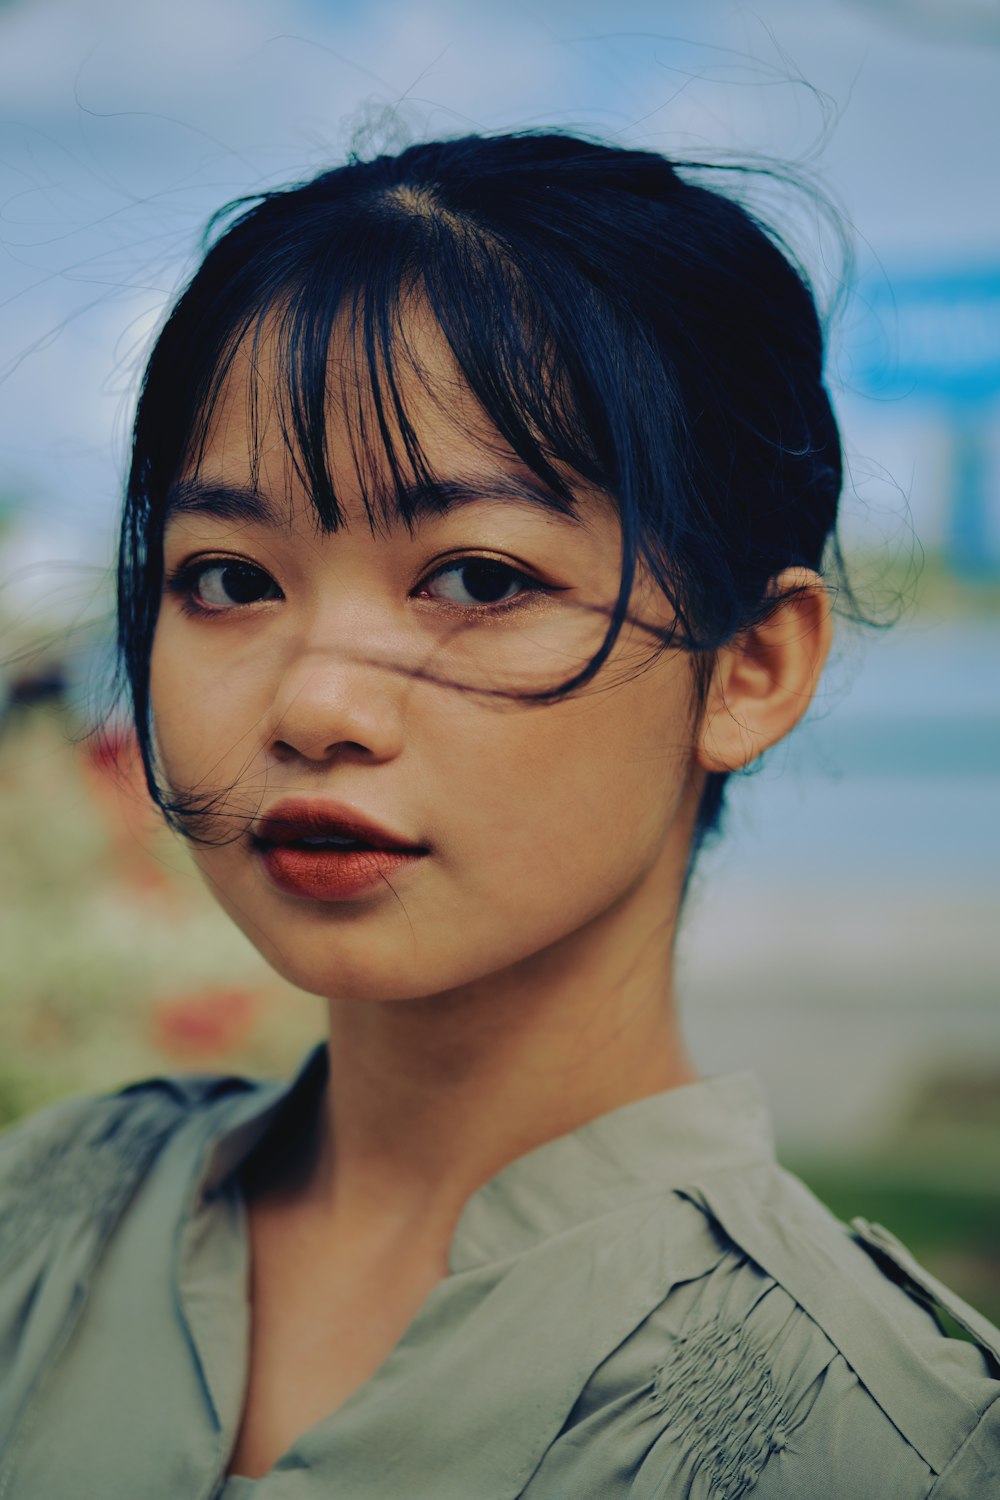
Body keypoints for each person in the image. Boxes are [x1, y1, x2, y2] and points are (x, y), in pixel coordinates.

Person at [1, 131, 997, 1498]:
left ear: (753, 666)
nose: (317, 705)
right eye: (229, 578)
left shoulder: (879, 1446)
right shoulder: (43, 1228)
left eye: (476, 578)